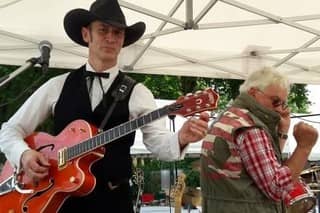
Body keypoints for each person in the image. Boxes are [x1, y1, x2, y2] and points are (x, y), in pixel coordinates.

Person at [0, 0, 209, 212]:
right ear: (86, 35)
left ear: (123, 40)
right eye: (103, 30)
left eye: (117, 33)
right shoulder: (57, 86)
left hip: (114, 202)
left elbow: (159, 145)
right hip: (60, 201)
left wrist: (181, 139)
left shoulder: (138, 93)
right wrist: (24, 155)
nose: (110, 38)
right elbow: (9, 131)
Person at [200, 67, 318, 213]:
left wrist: (282, 131)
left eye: (282, 103)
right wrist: (304, 147)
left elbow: (262, 165)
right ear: (253, 93)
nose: (280, 109)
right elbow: (277, 188)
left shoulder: (227, 118)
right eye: (275, 101)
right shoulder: (250, 128)